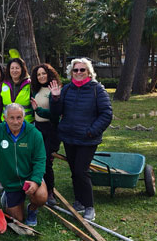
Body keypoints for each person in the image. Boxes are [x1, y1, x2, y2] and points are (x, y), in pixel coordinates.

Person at [49, 58, 112, 221]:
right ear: (71, 72)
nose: (78, 73)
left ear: (89, 72)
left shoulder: (97, 89)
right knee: (74, 172)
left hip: (87, 139)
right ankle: (79, 201)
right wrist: (55, 98)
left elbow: (106, 114)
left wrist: (91, 132)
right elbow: (56, 112)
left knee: (81, 172)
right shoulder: (67, 89)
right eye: (75, 70)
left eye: (82, 70)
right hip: (69, 138)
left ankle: (89, 207)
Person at [29, 63, 62, 205]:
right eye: (38, 74)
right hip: (38, 129)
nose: (41, 76)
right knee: (37, 159)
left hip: (51, 129)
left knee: (47, 161)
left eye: (44, 73)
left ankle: (50, 192)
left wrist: (39, 111)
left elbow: (55, 115)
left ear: (49, 74)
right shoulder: (36, 90)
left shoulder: (54, 90)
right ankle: (38, 186)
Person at [0, 58, 34, 127]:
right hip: (6, 125)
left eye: (17, 68)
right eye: (12, 68)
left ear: (22, 69)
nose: (14, 70)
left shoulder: (30, 84)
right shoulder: (3, 84)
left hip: (26, 125)